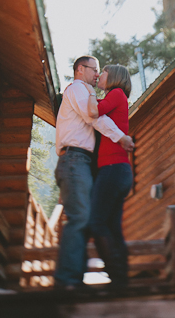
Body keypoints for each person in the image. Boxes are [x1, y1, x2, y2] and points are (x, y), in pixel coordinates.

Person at [54, 56, 135, 290]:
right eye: (94, 69)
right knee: (82, 220)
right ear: (81, 70)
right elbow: (94, 116)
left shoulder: (91, 92)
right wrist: (121, 136)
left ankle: (77, 279)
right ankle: (68, 280)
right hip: (75, 158)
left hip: (82, 161)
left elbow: (99, 114)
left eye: (101, 71)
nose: (97, 74)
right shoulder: (79, 88)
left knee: (88, 220)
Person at [88, 64, 133, 289]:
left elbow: (93, 111)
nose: (99, 76)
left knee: (96, 222)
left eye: (103, 72)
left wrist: (85, 91)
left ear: (113, 76)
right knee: (113, 227)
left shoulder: (116, 94)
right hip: (120, 170)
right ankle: (121, 279)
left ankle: (116, 277)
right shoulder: (119, 97)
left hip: (113, 168)